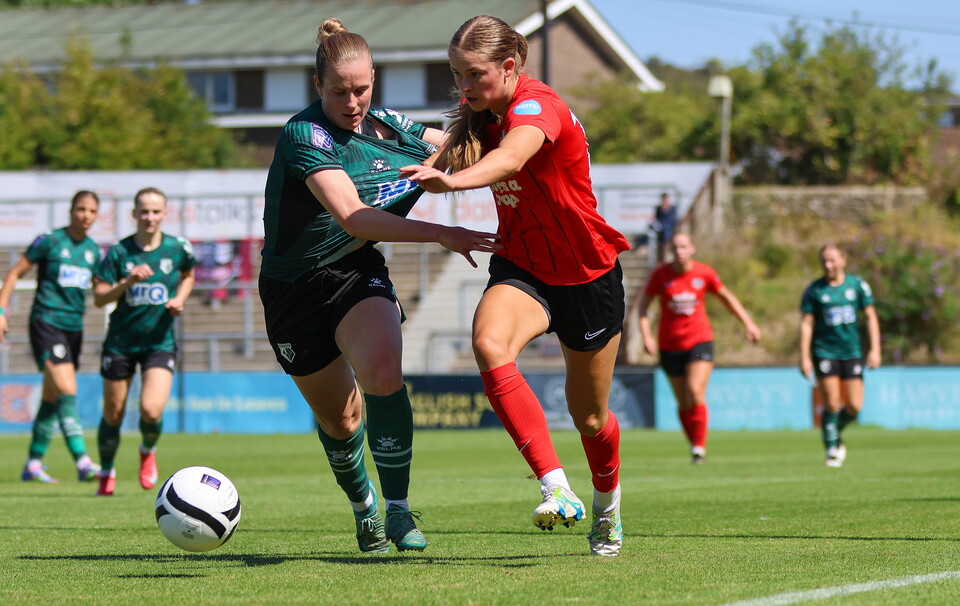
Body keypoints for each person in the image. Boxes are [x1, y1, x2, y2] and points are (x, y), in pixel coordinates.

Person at [258, 18, 499, 554]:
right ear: (317, 87)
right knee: (341, 421)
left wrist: (524, 130)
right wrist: (442, 231)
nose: (353, 100)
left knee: (385, 372)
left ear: (374, 81)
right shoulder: (305, 135)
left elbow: (461, 147)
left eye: (362, 88)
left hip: (354, 273)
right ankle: (363, 506)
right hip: (292, 289)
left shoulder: (389, 124)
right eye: (340, 90)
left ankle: (396, 510)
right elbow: (354, 216)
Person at [400, 15, 630, 557]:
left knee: (590, 418)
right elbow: (455, 148)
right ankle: (556, 487)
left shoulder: (535, 105)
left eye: (472, 75)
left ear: (509, 67)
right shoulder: (483, 112)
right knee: (488, 344)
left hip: (587, 273)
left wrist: (451, 182)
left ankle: (607, 507)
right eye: (455, 75)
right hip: (524, 264)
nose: (462, 87)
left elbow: (512, 156)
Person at [92, 187, 197, 496]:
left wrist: (180, 298)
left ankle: (147, 450)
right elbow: (99, 298)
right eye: (144, 211)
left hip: (159, 342)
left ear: (165, 214)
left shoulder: (178, 248)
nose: (149, 217)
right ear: (134, 214)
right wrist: (127, 282)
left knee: (151, 411)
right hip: (120, 343)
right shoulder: (119, 252)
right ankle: (107, 469)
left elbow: (189, 275)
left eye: (155, 211)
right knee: (114, 413)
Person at [0, 191, 103, 484]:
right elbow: (14, 274)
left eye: (92, 211)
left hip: (74, 328)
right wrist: (1, 310)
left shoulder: (94, 251)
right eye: (81, 209)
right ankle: (83, 461)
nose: (86, 215)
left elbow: (100, 291)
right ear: (71, 211)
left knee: (51, 396)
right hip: (46, 322)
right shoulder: (50, 241)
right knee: (67, 390)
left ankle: (33, 463)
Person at [632, 232, 761, 464]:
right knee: (683, 401)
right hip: (669, 345)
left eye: (684, 247)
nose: (680, 252)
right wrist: (646, 336)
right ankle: (694, 446)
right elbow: (643, 308)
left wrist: (748, 323)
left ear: (692, 249)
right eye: (676, 248)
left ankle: (700, 447)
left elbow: (727, 298)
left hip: (699, 342)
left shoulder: (704, 273)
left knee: (694, 390)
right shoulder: (661, 275)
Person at [799, 244, 881, 467]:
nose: (828, 265)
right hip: (824, 351)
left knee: (854, 406)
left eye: (832, 260)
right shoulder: (815, 290)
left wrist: (875, 349)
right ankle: (832, 448)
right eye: (824, 261)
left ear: (843, 260)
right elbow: (807, 323)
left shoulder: (857, 286)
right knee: (832, 403)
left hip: (852, 352)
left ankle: (834, 431)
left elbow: (871, 316)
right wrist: (804, 356)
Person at [652, 192, 677, 263]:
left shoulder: (672, 209)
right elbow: (656, 221)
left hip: (670, 234)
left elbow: (673, 221)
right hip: (661, 235)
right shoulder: (659, 209)